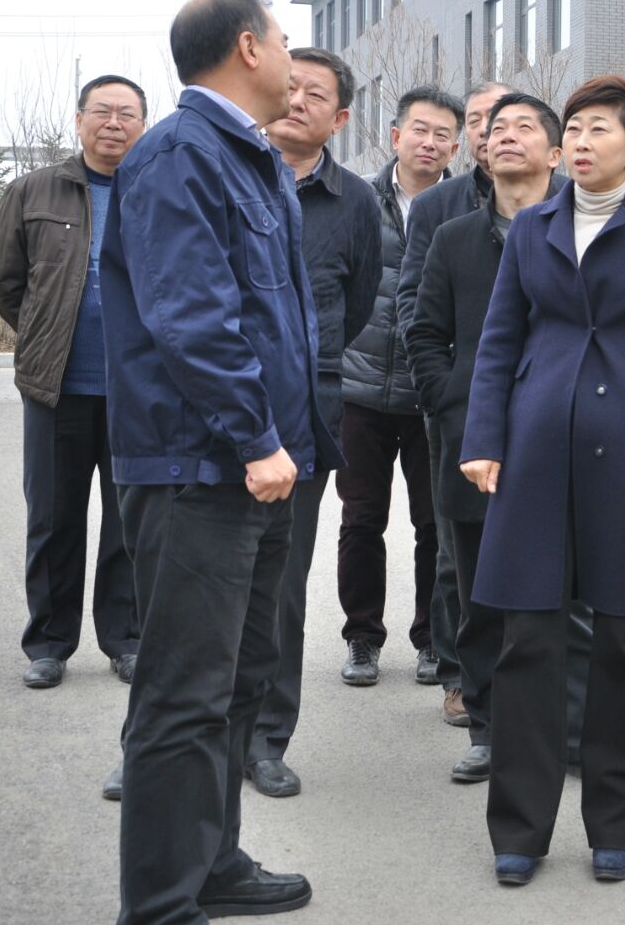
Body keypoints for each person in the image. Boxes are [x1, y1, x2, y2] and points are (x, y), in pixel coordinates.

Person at [102, 0, 337, 921]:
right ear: (247, 47)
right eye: (283, 42)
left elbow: (275, 317)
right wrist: (256, 436)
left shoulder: (249, 156)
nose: (293, 62)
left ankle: (213, 862)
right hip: (199, 468)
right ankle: (161, 902)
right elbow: (192, 320)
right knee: (183, 695)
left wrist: (287, 445)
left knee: (238, 682)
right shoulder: (178, 155)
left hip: (258, 470)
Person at [460, 75, 625, 887]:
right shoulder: (532, 227)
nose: (578, 140)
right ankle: (519, 829)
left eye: (598, 128)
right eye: (571, 127)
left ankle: (619, 823)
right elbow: (499, 339)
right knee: (527, 639)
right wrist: (483, 437)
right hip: (534, 445)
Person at [405, 90, 571, 784]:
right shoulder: (454, 238)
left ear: (556, 153)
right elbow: (423, 331)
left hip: (564, 436)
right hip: (473, 437)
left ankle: (562, 729)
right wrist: (449, 400)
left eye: (524, 127)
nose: (504, 136)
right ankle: (487, 726)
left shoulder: (586, 231)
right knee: (478, 593)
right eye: (496, 128)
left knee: (565, 594)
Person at [242, 47, 382, 798]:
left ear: (341, 117)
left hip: (302, 413)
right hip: (211, 406)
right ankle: (165, 740)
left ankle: (266, 738)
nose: (296, 100)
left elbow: (356, 306)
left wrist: (307, 364)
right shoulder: (227, 170)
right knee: (185, 585)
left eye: (315, 94)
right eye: (288, 85)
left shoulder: (354, 201)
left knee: (280, 585)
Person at [0, 74, 146, 691]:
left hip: (138, 390)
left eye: (127, 113)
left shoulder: (158, 189)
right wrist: (46, 334)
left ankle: (126, 639)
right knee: (53, 518)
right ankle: (49, 643)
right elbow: (6, 282)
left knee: (130, 520)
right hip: (56, 386)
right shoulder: (33, 190)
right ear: (79, 121)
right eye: (101, 111)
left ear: (143, 125)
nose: (114, 123)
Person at [334, 87, 459, 688]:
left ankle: (432, 638)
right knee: (361, 519)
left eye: (442, 135)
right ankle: (362, 637)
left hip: (432, 392)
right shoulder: (359, 200)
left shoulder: (464, 206)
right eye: (420, 130)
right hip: (359, 391)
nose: (429, 143)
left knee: (435, 524)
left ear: (455, 147)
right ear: (395, 136)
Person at [397, 79, 508, 723]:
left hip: (537, 405)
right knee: (453, 547)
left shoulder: (559, 201)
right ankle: (457, 674)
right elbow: (414, 304)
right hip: (458, 405)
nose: (490, 130)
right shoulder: (438, 205)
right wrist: (441, 391)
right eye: (479, 120)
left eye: (503, 117)